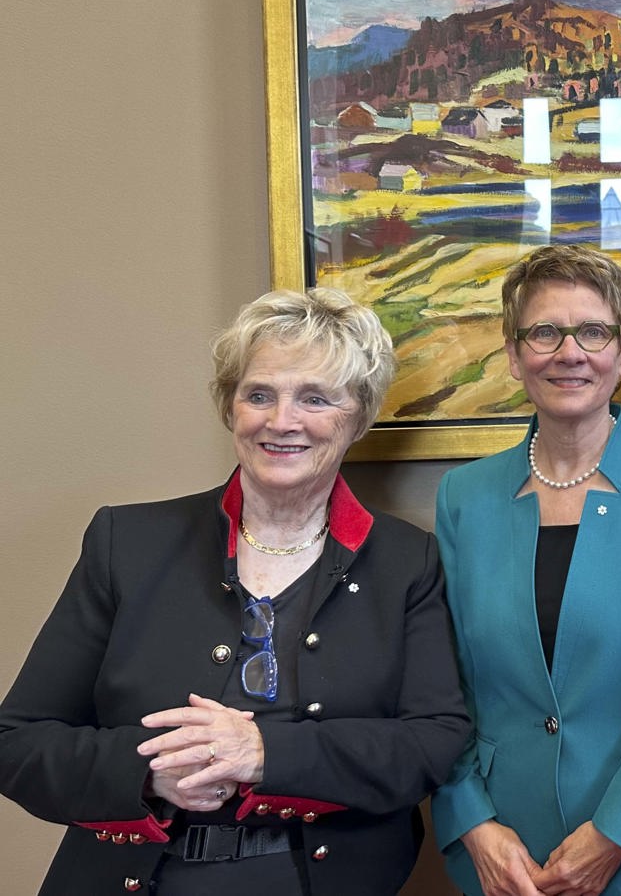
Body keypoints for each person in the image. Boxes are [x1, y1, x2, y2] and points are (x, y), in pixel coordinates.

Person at [0, 288, 470, 895]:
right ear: (230, 408)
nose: (282, 421)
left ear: (357, 417)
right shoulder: (128, 541)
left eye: (315, 399)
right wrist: (147, 772)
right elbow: (19, 738)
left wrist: (265, 751)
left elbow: (434, 740)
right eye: (259, 395)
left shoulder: (407, 561)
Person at [431, 244, 621, 896]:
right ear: (515, 355)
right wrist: (474, 822)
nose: (569, 352)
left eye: (593, 330)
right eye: (544, 331)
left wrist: (616, 834)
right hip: (505, 859)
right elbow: (440, 678)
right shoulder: (464, 496)